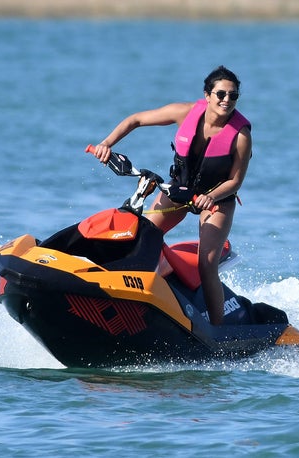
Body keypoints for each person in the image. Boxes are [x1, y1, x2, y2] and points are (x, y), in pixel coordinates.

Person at [90, 65, 252, 325]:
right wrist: (107, 144)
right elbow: (136, 120)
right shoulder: (184, 112)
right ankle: (132, 295)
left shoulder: (241, 136)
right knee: (142, 237)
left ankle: (217, 331)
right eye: (221, 94)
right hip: (179, 191)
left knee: (206, 264)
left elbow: (235, 181)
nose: (226, 101)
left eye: (233, 96)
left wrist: (212, 196)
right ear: (207, 95)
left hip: (217, 201)